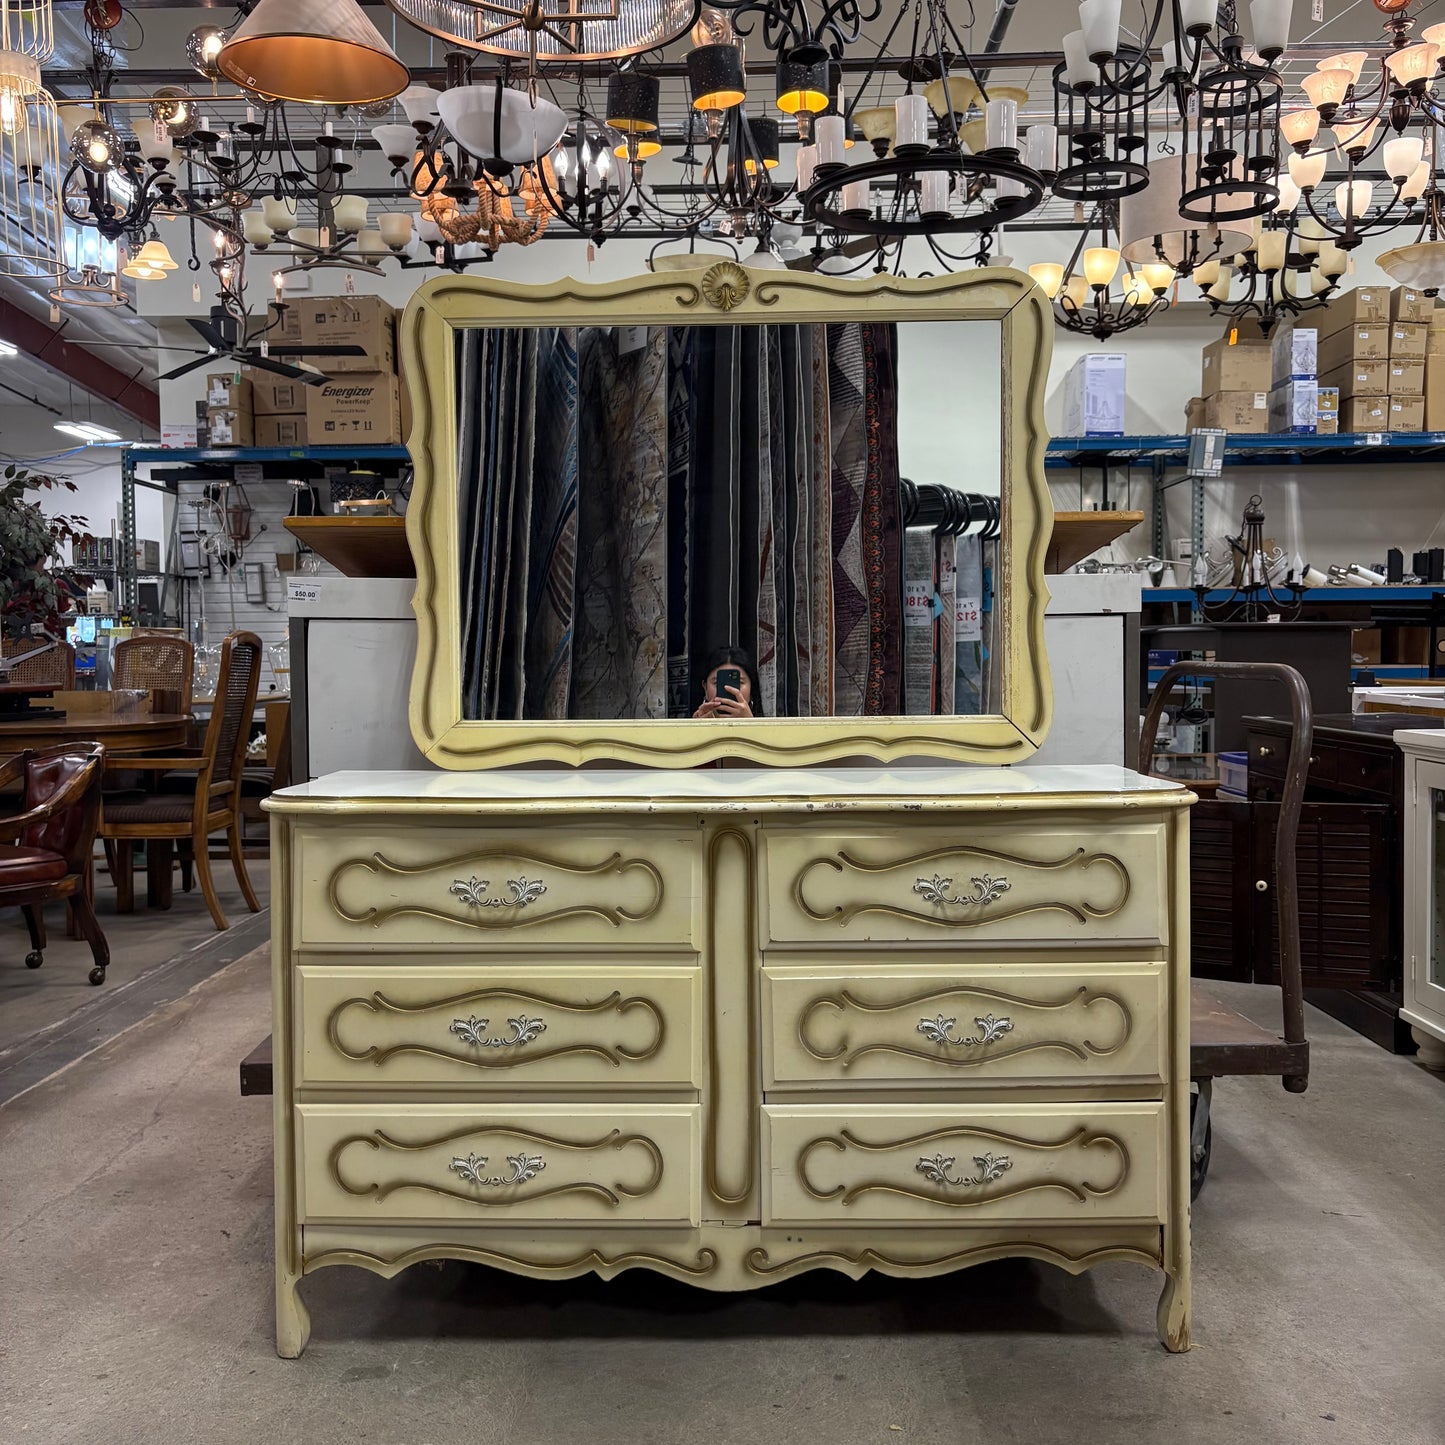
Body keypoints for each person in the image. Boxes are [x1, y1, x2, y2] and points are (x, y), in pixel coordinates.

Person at [693, 645, 762, 718]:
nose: (729, 689)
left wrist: (749, 723)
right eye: (717, 682)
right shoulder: (688, 726)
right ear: (705, 688)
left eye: (738, 682)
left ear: (751, 688)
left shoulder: (770, 727)